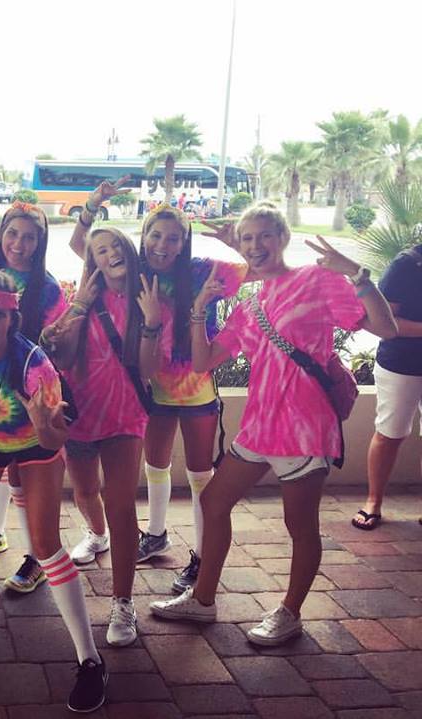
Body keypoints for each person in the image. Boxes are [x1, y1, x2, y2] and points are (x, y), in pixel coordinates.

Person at [150, 202, 396, 645]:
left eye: (264, 235)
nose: (255, 245)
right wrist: (199, 310)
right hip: (260, 426)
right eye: (247, 238)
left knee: (299, 525)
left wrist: (358, 275)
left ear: (282, 238)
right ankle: (202, 600)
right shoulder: (250, 305)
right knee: (214, 502)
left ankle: (290, 612)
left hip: (305, 428)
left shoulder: (316, 280)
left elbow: (385, 328)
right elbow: (204, 362)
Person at [0, 271, 107, 713]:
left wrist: (44, 425)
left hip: (36, 448)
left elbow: (55, 440)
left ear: (12, 318)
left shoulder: (34, 364)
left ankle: (90, 659)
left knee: (46, 546)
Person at [72, 200, 247, 594]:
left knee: (200, 475)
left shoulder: (201, 270)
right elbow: (86, 248)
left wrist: (235, 241)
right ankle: (155, 535)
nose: (162, 245)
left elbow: (255, 269)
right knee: (156, 465)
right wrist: (90, 208)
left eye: (173, 238)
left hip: (196, 388)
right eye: (155, 235)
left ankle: (201, 555)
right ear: (144, 236)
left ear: (184, 242)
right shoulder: (135, 271)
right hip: (150, 390)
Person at [42, 227, 172, 646]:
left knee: (121, 505)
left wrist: (152, 322)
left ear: (129, 252)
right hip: (80, 415)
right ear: (93, 261)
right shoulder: (82, 299)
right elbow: (60, 358)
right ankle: (96, 534)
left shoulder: (149, 299)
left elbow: (148, 370)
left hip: (124, 417)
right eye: (101, 250)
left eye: (116, 246)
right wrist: (77, 307)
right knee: (84, 491)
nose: (111, 253)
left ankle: (122, 601)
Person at [0, 201, 69, 593]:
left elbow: (60, 346)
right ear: (1, 234)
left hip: (28, 395)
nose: (19, 245)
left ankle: (37, 557)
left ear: (41, 243)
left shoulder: (49, 288)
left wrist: (52, 342)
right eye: (12, 234)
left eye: (29, 237)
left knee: (25, 473)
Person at [353, 244, 422, 529]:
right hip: (401, 364)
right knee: (390, 433)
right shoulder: (407, 264)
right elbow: (381, 322)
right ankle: (373, 501)